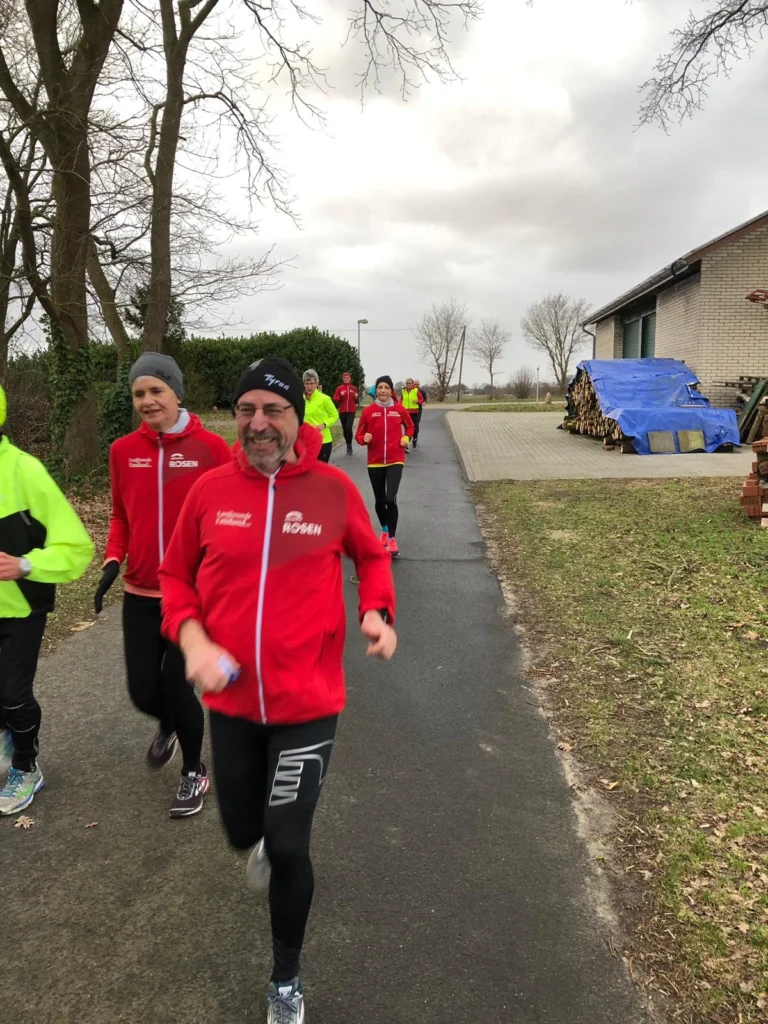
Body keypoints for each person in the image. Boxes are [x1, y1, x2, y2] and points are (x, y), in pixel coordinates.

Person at [158, 356, 397, 1024]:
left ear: (298, 417)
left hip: (308, 702)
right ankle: (257, 837)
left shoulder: (329, 490)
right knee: (242, 832)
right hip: (231, 702)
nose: (259, 423)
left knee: (289, 845)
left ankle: (285, 979)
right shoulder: (208, 493)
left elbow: (372, 557)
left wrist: (376, 612)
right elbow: (176, 579)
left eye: (274, 410)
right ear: (234, 416)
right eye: (246, 410)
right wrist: (195, 641)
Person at [95, 353, 231, 819]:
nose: (148, 401)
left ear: (177, 392)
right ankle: (170, 727)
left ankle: (195, 769)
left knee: (176, 685)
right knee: (141, 692)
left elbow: (235, 514)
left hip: (194, 596)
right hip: (139, 592)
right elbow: (119, 515)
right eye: (139, 393)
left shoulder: (212, 449)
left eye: (156, 391)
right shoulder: (121, 450)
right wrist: (114, 559)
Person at [0, 385, 94, 815]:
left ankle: (26, 766)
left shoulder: (25, 471)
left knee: (13, 694)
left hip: (21, 607)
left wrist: (24, 566)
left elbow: (76, 547)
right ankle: (8, 729)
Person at [355, 375, 413, 557]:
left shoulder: (399, 410)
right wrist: (363, 439)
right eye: (380, 387)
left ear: (391, 391)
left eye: (386, 387)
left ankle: (392, 539)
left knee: (390, 499)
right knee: (380, 501)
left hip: (396, 459)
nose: (383, 391)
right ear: (376, 390)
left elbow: (410, 427)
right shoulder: (368, 411)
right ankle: (385, 530)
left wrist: (406, 438)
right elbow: (359, 434)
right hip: (375, 461)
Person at [302, 368, 339, 463]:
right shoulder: (300, 399)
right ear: (304, 384)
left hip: (323, 441)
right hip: (305, 441)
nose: (309, 386)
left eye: (311, 383)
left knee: (320, 473)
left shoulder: (324, 399)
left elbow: (335, 415)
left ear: (317, 384)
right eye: (307, 383)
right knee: (307, 472)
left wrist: (324, 424)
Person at [333, 371, 358, 456]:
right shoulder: (339, 388)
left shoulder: (354, 388)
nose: (346, 379)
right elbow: (335, 398)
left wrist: (356, 398)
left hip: (351, 411)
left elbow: (356, 400)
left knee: (348, 427)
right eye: (345, 378)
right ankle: (347, 444)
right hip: (343, 411)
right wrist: (340, 396)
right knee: (344, 429)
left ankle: (350, 445)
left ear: (350, 378)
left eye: (347, 378)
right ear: (343, 379)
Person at [401, 377, 425, 449]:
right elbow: (401, 400)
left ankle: (415, 438)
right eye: (407, 383)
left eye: (410, 383)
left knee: (415, 427)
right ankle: (406, 443)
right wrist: (399, 407)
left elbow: (422, 399)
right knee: (407, 427)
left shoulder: (416, 390)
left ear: (412, 384)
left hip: (414, 412)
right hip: (406, 412)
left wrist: (417, 401)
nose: (408, 385)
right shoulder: (403, 391)